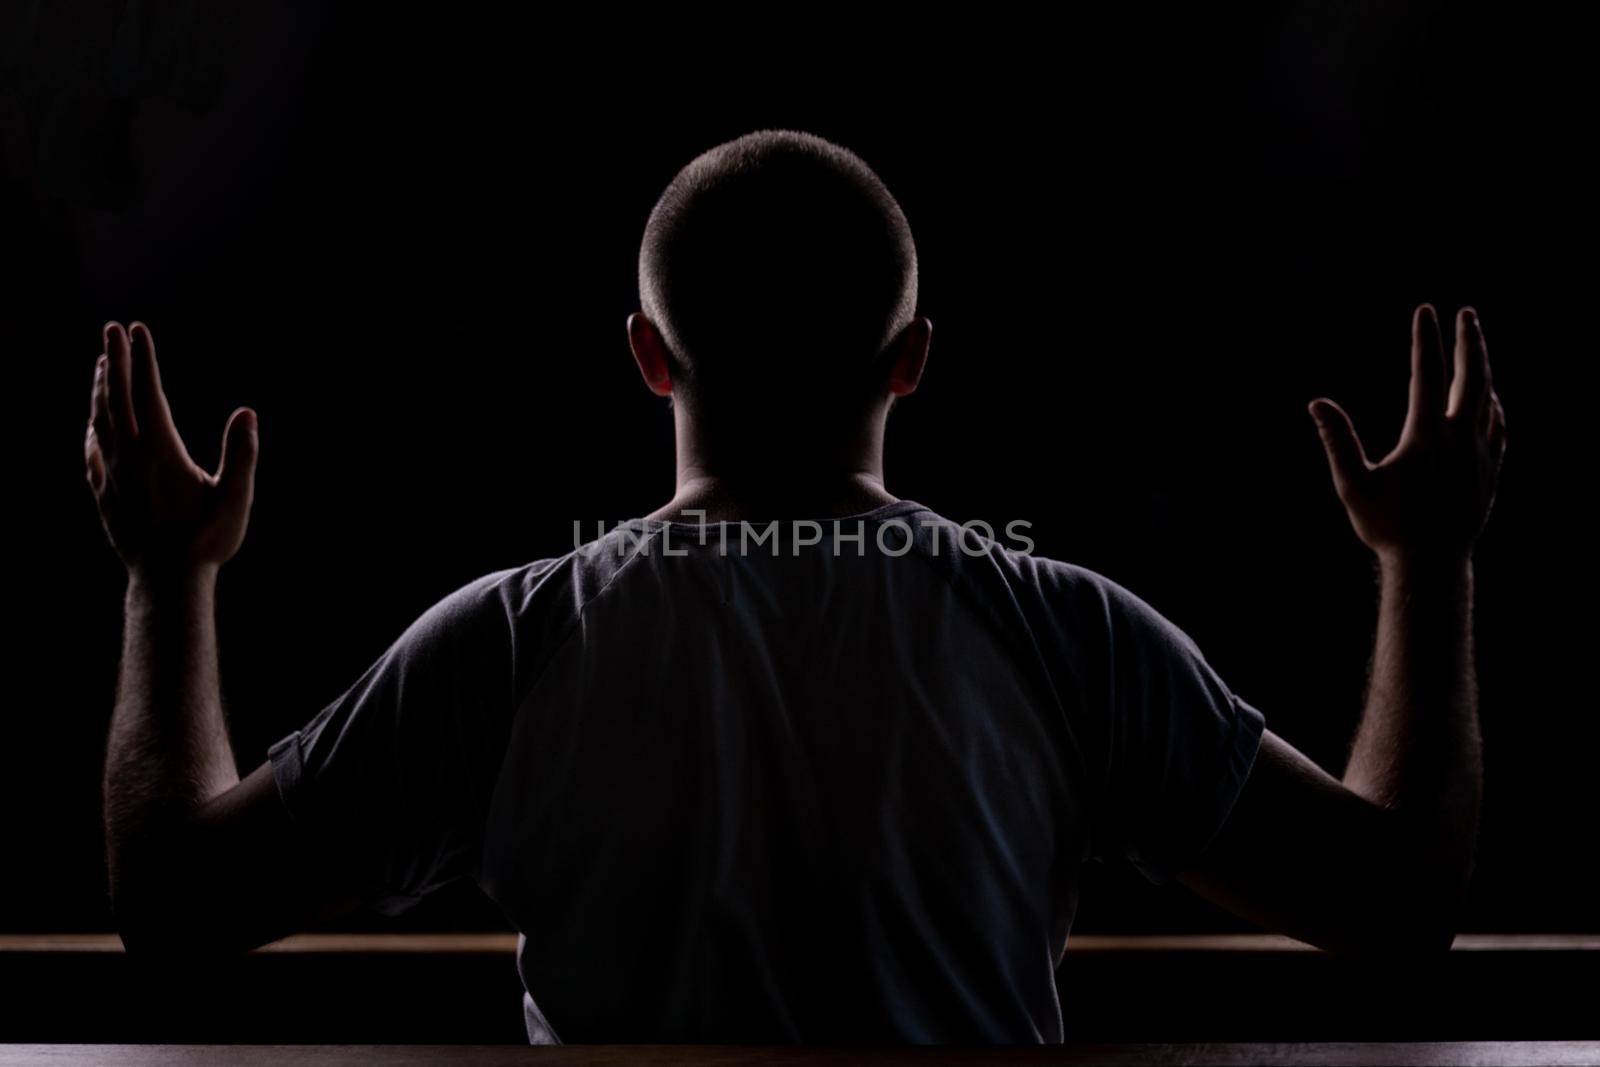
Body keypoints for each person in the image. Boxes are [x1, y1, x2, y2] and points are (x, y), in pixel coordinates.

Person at [86, 129, 1507, 1043]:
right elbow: (1396, 902)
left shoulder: (502, 650)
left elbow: (174, 900)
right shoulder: (1068, 635)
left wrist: (165, 572)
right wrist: (1429, 558)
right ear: (913, 359)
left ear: (648, 355)